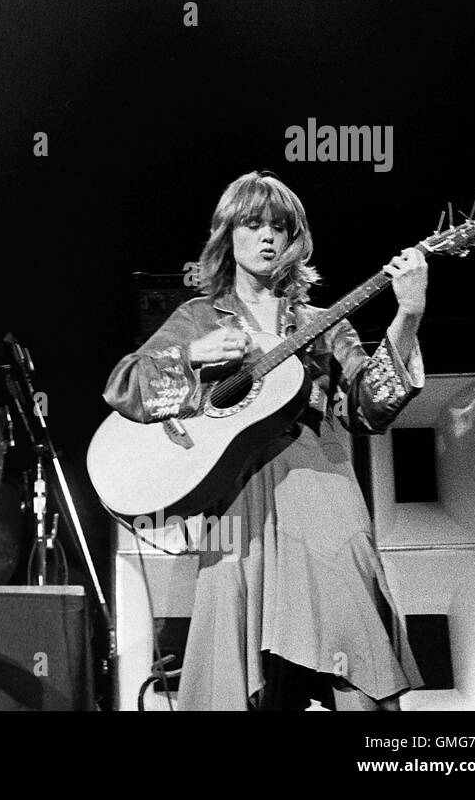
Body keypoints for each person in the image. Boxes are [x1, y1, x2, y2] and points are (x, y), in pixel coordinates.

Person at [103, 171, 426, 710]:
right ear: (228, 234)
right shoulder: (198, 317)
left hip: (317, 486)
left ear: (296, 241)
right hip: (236, 496)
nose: (267, 237)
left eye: (280, 226)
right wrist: (192, 357)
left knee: (359, 665)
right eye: (252, 225)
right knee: (240, 676)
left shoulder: (324, 322)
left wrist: (408, 316)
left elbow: (368, 411)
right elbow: (124, 387)